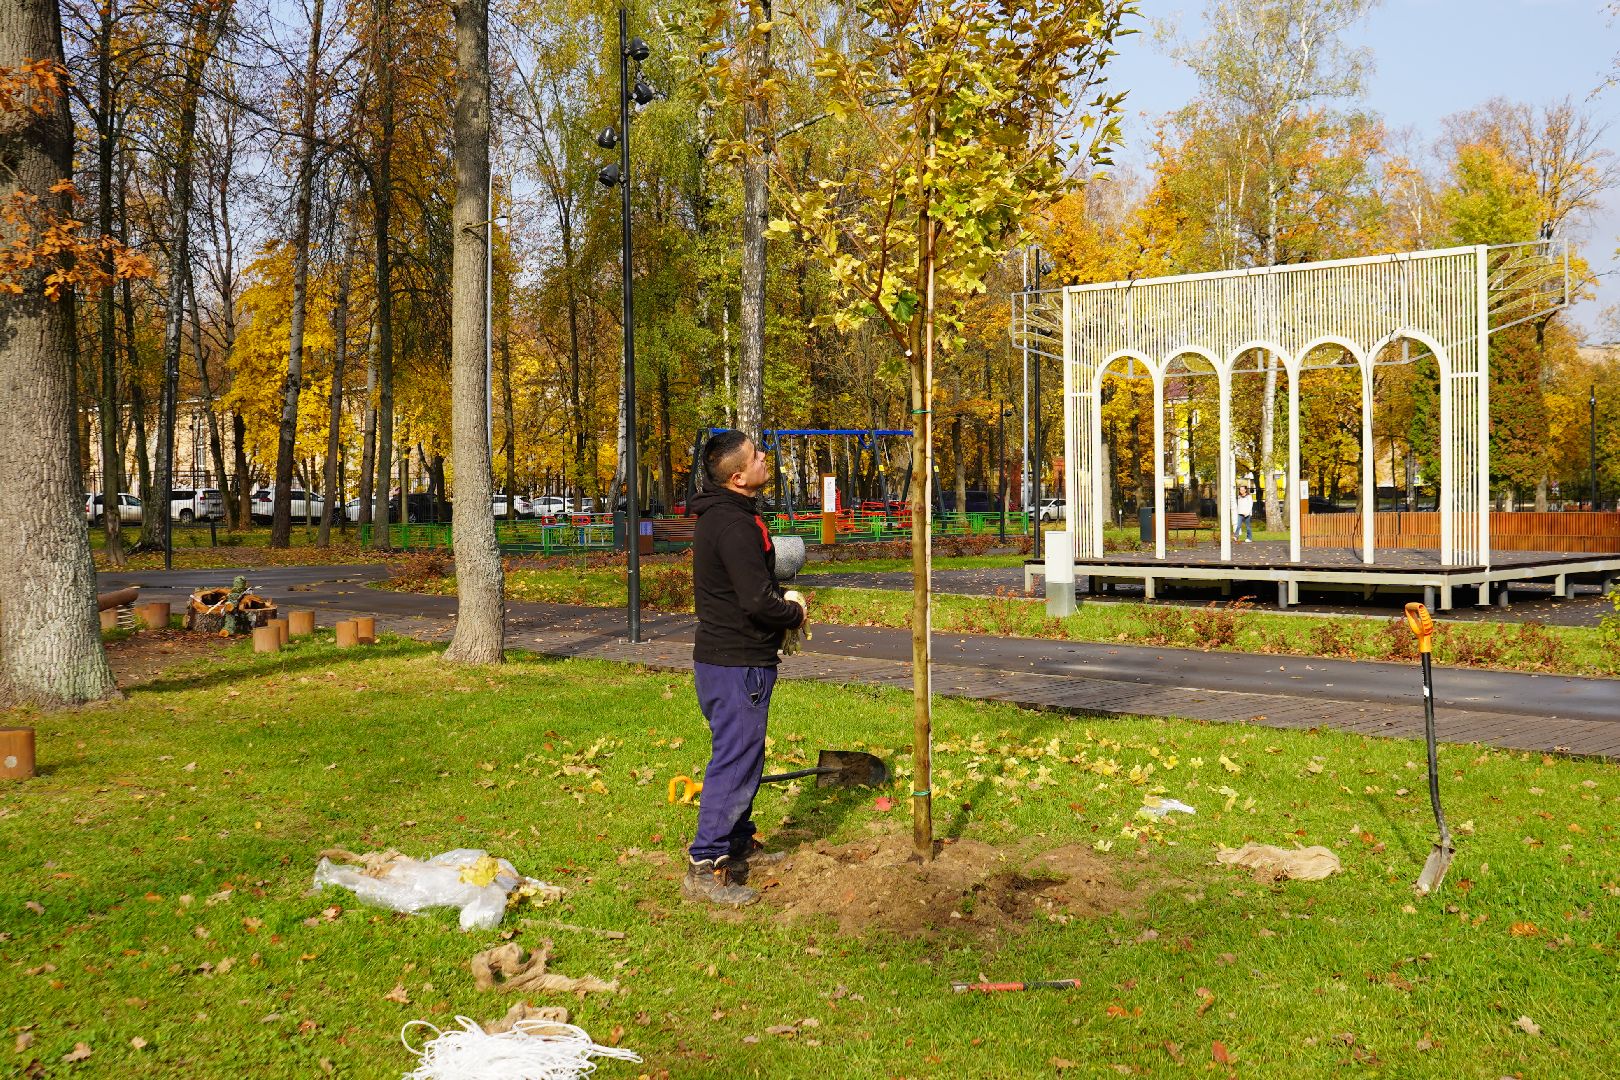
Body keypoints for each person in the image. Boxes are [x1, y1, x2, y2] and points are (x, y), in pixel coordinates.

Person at [682, 430, 808, 906]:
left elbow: (751, 580)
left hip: (731, 659)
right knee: (734, 762)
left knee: (745, 757)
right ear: (738, 477)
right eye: (756, 456)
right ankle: (703, 865)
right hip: (735, 662)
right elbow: (756, 601)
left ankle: (736, 844)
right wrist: (793, 613)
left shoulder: (731, 515)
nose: (764, 458)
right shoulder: (732, 525)